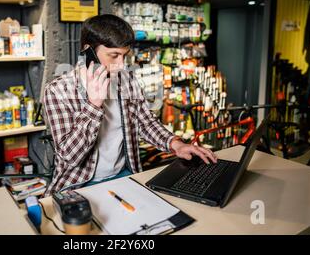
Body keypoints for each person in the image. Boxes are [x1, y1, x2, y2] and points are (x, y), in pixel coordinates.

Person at [43, 14, 217, 195]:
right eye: (114, 56)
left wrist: (176, 144)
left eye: (124, 56)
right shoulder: (59, 90)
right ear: (88, 51)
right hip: (78, 184)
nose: (121, 65)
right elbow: (70, 157)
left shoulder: (126, 81)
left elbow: (146, 123)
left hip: (124, 175)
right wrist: (93, 105)